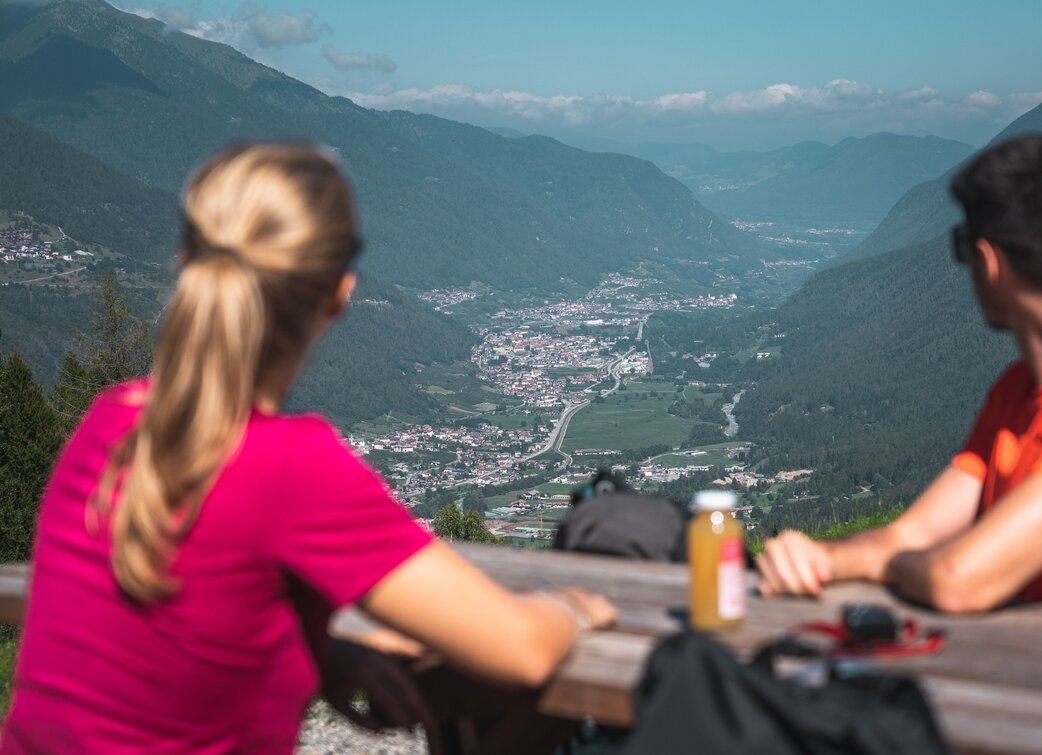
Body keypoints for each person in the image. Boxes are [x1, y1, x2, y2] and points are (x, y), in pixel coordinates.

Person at [2, 144, 616, 753]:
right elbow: (524, 652)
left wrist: (321, 653)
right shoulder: (291, 467)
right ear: (341, 291)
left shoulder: (113, 420)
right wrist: (575, 606)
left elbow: (166, 625)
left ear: (187, 259)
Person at [757, 134, 1042, 620]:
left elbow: (959, 580)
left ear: (989, 262)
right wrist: (820, 558)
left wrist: (882, 564)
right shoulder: (1019, 390)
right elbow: (913, 535)